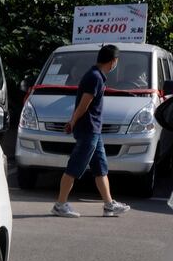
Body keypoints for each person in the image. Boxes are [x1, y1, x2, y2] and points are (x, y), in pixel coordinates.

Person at [52, 44, 131, 218]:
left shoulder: (97, 76)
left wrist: (73, 121)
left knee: (101, 168)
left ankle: (109, 205)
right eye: (116, 61)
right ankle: (60, 205)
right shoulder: (95, 77)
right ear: (113, 61)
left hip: (94, 130)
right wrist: (72, 121)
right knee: (74, 167)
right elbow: (84, 105)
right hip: (88, 129)